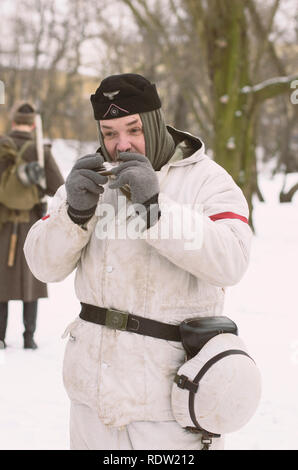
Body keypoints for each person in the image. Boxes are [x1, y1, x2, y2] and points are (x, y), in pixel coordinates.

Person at [24, 74, 252, 450]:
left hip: (171, 402)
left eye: (133, 129)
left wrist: (155, 209)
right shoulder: (89, 180)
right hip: (91, 399)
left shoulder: (207, 181)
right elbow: (43, 266)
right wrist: (74, 216)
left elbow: (232, 260)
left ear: (155, 122)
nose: (121, 144)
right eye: (109, 133)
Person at [0, 102, 64, 349]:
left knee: (1, 282)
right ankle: (29, 338)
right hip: (29, 224)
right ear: (33, 124)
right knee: (30, 279)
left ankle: (1, 337)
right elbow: (57, 187)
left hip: (2, 223)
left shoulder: (2, 146)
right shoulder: (41, 151)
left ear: (14, 121)